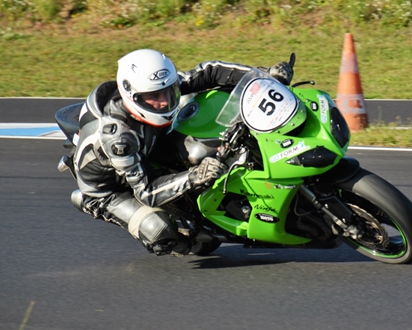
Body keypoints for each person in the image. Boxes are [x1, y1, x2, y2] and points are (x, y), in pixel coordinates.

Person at [69, 49, 294, 256]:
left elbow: (210, 72)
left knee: (208, 141)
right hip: (113, 189)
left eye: (168, 92)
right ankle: (184, 239)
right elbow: (147, 191)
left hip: (150, 144)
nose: (164, 102)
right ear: (132, 95)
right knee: (160, 229)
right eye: (154, 97)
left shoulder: (157, 88)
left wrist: (262, 75)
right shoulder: (119, 138)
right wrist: (194, 176)